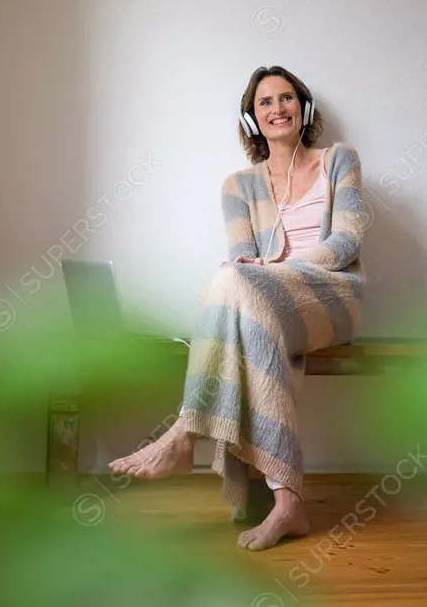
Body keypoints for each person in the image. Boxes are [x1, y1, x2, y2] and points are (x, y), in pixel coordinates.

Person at [108, 65, 366, 550]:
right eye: (264, 103)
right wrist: (258, 272)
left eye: (286, 98)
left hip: (333, 295)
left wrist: (272, 271)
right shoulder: (237, 186)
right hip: (267, 302)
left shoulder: (339, 160)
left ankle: (187, 432)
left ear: (303, 107)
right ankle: (287, 503)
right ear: (252, 119)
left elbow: (347, 241)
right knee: (234, 286)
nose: (277, 109)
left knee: (235, 285)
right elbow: (239, 260)